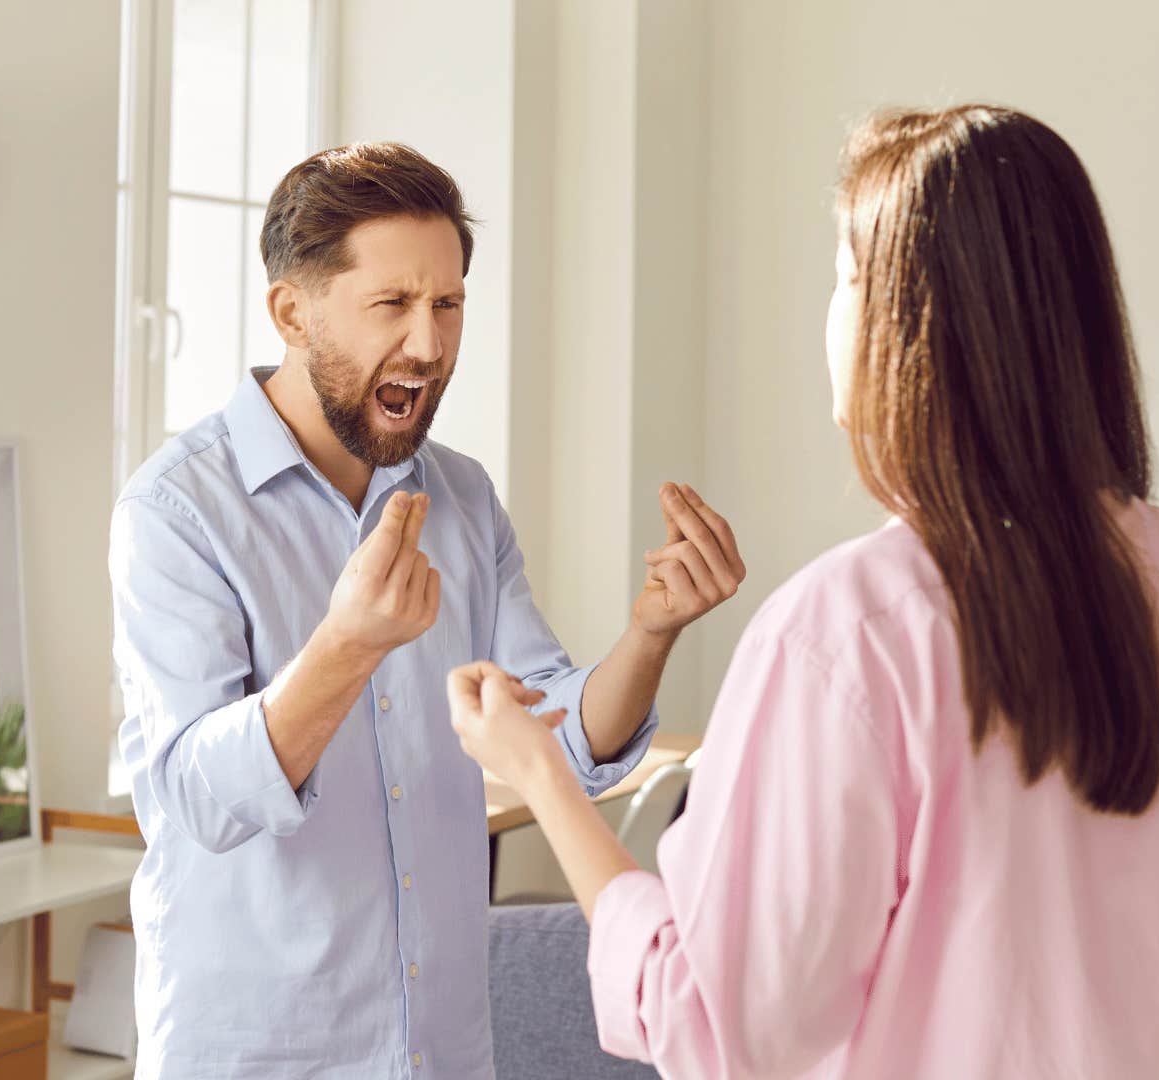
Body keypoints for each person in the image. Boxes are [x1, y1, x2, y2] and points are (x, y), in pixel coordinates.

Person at [451, 105, 1159, 1079]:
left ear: (909, 322)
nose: (833, 310)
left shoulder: (848, 631)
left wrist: (540, 775)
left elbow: (712, 1027)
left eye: (847, 275)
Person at [110, 142, 746, 1077]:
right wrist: (345, 646)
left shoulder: (462, 497)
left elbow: (555, 737)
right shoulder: (176, 512)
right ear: (293, 310)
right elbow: (195, 801)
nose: (430, 343)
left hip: (440, 1048)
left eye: (447, 304)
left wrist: (651, 632)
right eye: (393, 305)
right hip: (262, 1053)